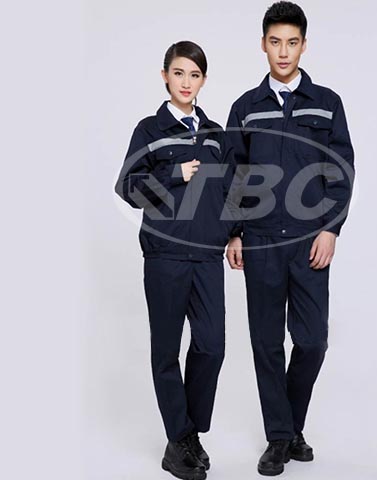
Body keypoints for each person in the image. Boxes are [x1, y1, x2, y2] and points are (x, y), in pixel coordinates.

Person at [226, 2, 355, 476]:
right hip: (260, 240)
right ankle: (281, 438)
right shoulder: (246, 107)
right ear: (263, 44)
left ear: (304, 45)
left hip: (308, 242)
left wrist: (330, 228)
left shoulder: (327, 102)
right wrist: (234, 232)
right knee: (265, 344)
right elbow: (234, 174)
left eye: (292, 42)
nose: (283, 51)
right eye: (275, 42)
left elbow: (341, 169)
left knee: (312, 341)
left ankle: (289, 425)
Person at [115, 40, 239, 480]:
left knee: (211, 345)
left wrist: (235, 234)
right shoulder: (149, 129)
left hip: (207, 257)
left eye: (195, 74)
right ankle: (180, 441)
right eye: (179, 72)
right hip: (165, 256)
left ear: (203, 81)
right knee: (166, 352)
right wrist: (173, 173)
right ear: (165, 75)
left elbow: (233, 192)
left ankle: (188, 432)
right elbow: (127, 187)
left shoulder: (217, 135)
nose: (186, 82)